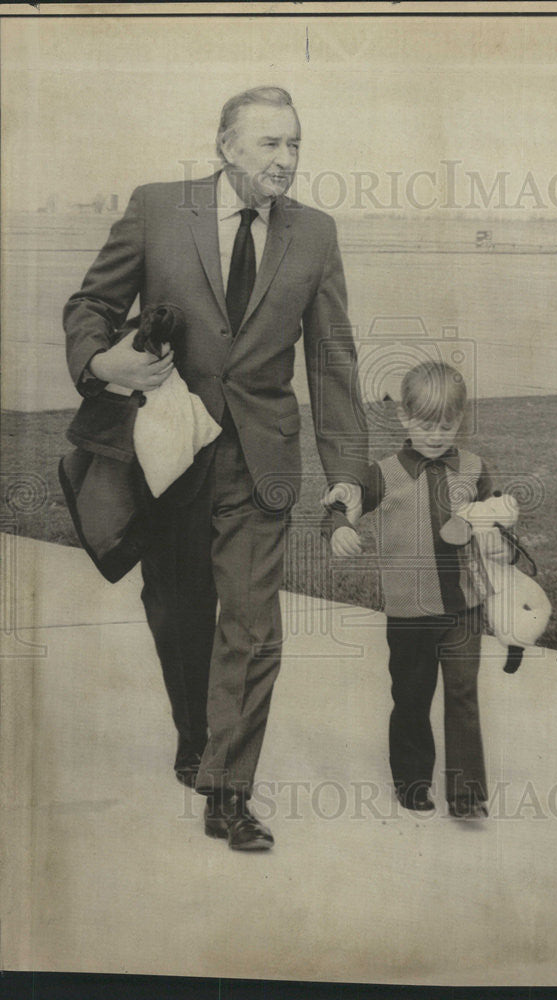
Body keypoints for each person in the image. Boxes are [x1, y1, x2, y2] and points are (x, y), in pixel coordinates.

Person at [63, 86, 368, 851]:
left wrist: (347, 470)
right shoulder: (160, 208)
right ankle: (195, 732)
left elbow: (332, 360)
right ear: (227, 146)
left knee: (254, 627)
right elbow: (90, 304)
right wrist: (101, 360)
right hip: (168, 453)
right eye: (270, 144)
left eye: (295, 145)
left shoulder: (316, 236)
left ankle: (228, 792)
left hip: (259, 461)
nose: (286, 160)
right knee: (175, 608)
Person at [324, 361, 500, 819]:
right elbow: (342, 502)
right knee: (412, 695)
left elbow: (495, 523)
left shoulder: (476, 470)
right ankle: (412, 782)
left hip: (465, 607)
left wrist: (498, 531)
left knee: (463, 694)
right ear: (403, 417)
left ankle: (466, 795)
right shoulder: (383, 473)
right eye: (425, 424)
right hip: (408, 612)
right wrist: (340, 527)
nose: (437, 434)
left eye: (447, 424)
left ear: (460, 419)